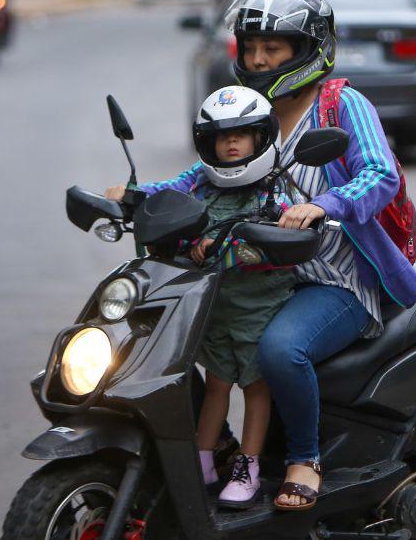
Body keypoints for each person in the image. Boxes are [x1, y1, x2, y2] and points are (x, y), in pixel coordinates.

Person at [223, 0, 416, 510]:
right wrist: (142, 197)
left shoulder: (341, 104)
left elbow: (380, 175)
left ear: (307, 50)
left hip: (340, 282)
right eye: (252, 48)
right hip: (270, 274)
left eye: (273, 48)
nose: (259, 58)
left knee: (278, 349)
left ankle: (304, 459)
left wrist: (328, 204)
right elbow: (209, 175)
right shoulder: (256, 114)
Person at [108, 86, 296, 509]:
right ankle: (203, 460)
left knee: (256, 388)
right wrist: (131, 196)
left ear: (261, 137)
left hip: (258, 307)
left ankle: (248, 465)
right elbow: (169, 191)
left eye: (242, 134)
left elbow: (279, 238)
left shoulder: (273, 190)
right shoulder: (200, 178)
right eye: (221, 136)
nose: (231, 143)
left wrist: (220, 246)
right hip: (212, 304)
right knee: (215, 385)